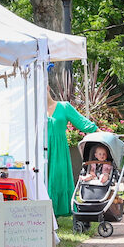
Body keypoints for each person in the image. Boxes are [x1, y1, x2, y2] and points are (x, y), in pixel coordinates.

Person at [46, 90, 96, 218]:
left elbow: (81, 122)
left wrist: (100, 132)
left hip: (59, 150)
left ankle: (57, 211)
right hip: (42, 149)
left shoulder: (63, 106)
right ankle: (46, 213)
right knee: (44, 179)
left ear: (47, 88)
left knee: (57, 177)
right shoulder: (34, 110)